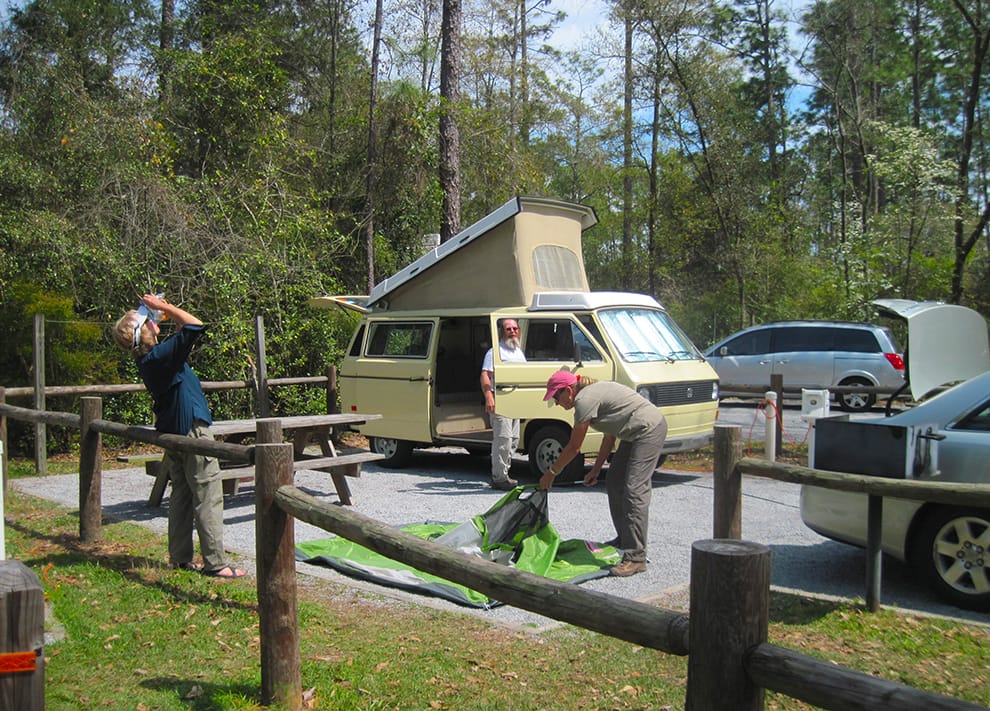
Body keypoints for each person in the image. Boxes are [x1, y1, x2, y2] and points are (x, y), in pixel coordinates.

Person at [113, 293, 246, 578]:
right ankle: (217, 563)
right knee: (208, 493)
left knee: (183, 495)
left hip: (174, 432)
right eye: (148, 321)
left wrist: (160, 314)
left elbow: (185, 331)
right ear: (145, 333)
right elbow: (195, 325)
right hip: (193, 430)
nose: (153, 320)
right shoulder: (160, 356)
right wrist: (166, 307)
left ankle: (181, 557)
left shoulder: (152, 359)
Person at [539, 370, 667, 577]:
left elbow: (574, 447)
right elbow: (609, 437)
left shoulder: (584, 400)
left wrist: (551, 472)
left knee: (634, 489)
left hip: (649, 430)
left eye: (556, 396)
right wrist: (596, 470)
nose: (556, 402)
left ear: (569, 391)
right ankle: (625, 539)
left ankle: (636, 557)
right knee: (614, 480)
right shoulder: (591, 395)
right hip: (632, 432)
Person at [480, 318, 527, 490]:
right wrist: (489, 396)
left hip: (515, 402)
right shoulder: (495, 352)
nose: (513, 331)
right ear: (501, 332)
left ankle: (504, 474)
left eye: (515, 328)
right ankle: (499, 478)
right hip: (500, 400)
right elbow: (485, 375)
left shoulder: (518, 352)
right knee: (503, 440)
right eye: (508, 329)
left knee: (514, 440)